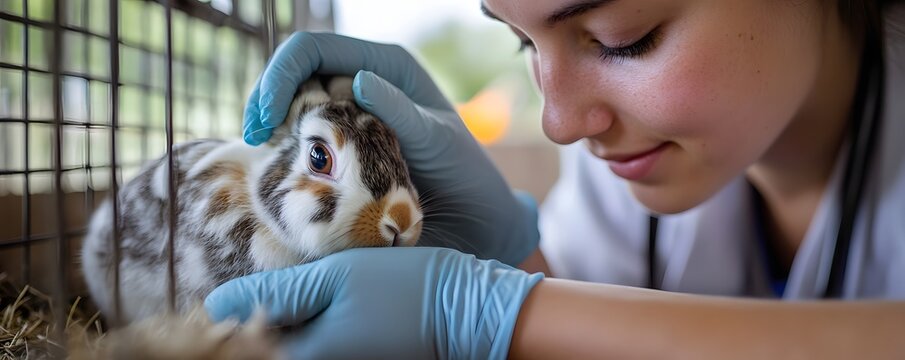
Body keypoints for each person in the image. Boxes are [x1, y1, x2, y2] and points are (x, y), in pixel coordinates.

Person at [204, 0, 905, 358]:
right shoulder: (629, 172)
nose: (559, 123)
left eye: (620, 37)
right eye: (522, 40)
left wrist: (497, 313)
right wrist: (516, 258)